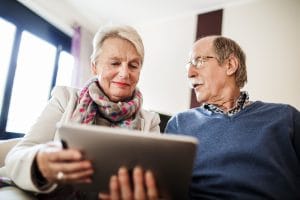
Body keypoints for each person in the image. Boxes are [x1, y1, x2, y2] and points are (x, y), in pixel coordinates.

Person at [3, 25, 160, 200]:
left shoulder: (150, 121)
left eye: (133, 65)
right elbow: (15, 159)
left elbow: (157, 181)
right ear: (94, 66)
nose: (124, 73)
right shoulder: (65, 99)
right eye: (115, 63)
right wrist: (40, 165)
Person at [165, 36, 300, 199]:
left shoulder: (285, 117)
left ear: (230, 65)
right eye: (189, 65)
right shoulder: (180, 124)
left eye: (199, 61)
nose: (190, 73)